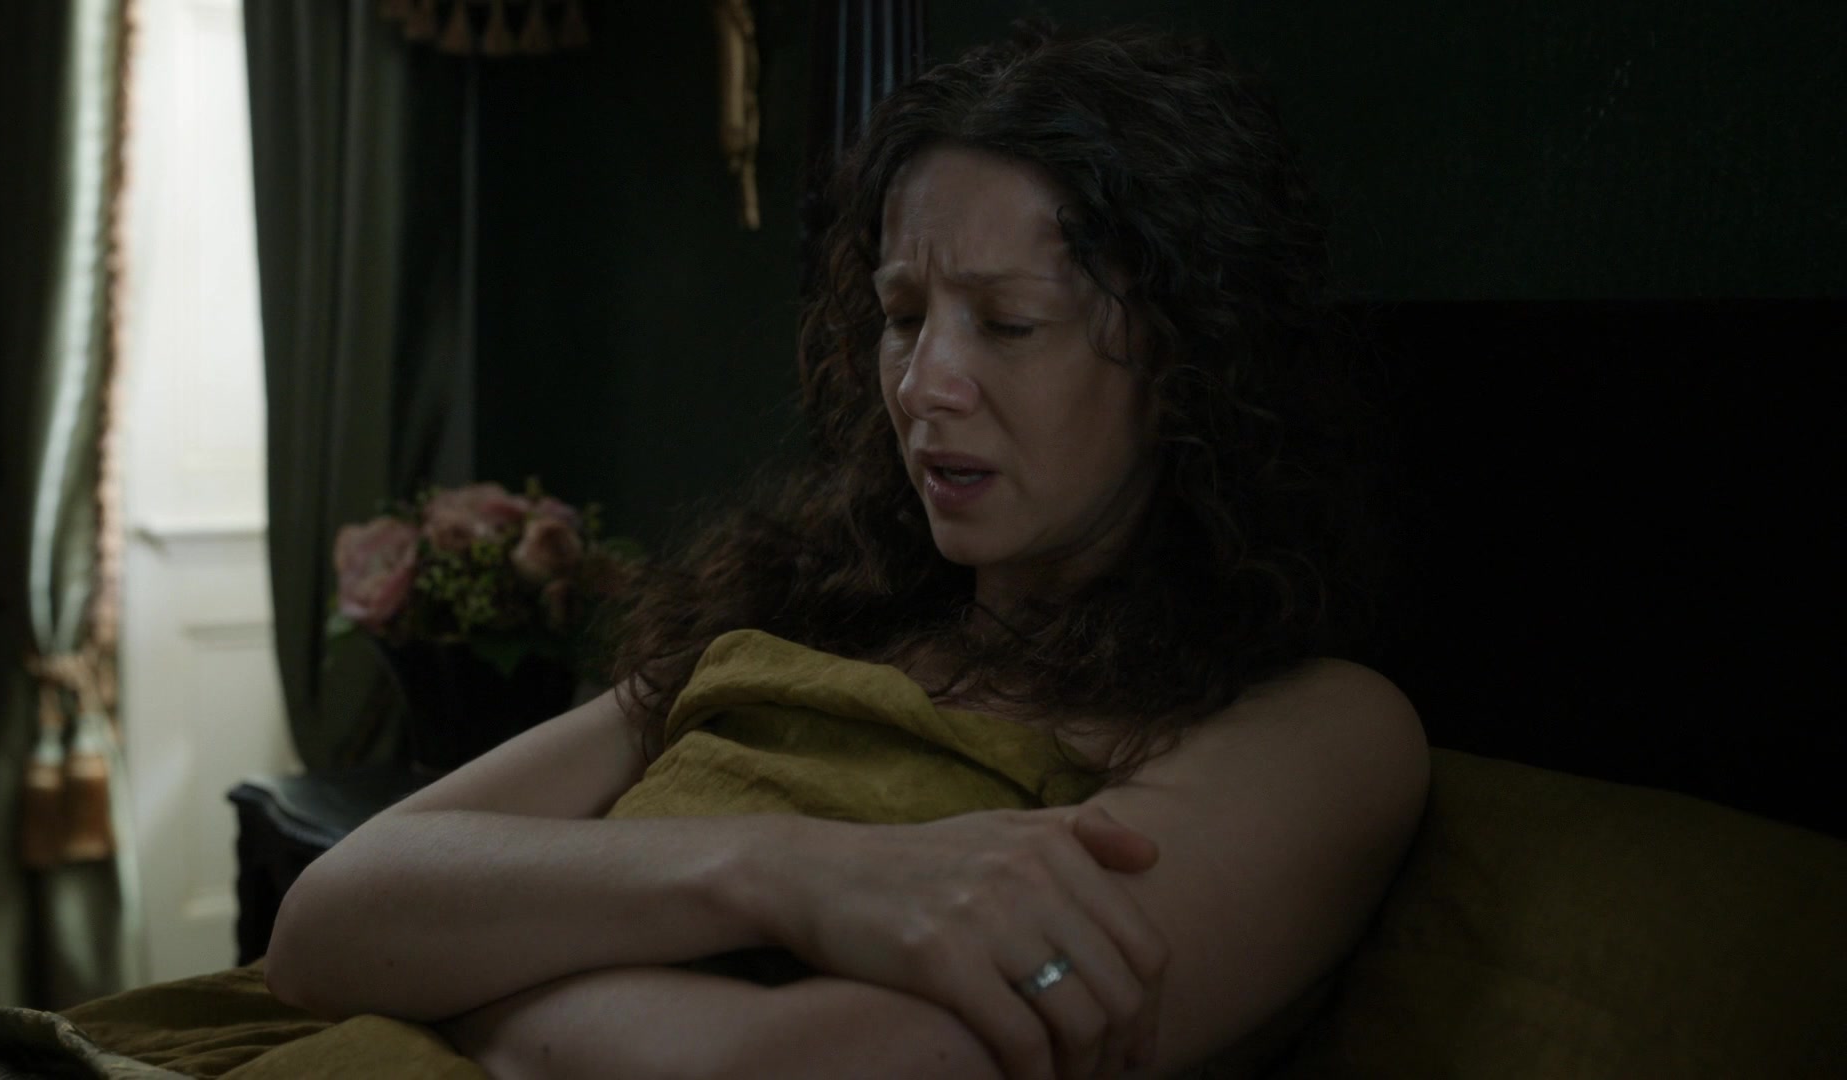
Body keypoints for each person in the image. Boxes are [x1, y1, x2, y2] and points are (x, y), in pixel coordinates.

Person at [263, 22, 1429, 1080]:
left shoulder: (1317, 734)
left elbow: (796, 1067)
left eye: (1008, 323)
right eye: (903, 317)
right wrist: (791, 874)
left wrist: (457, 983)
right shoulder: (808, 620)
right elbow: (325, 922)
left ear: (1188, 360)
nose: (923, 386)